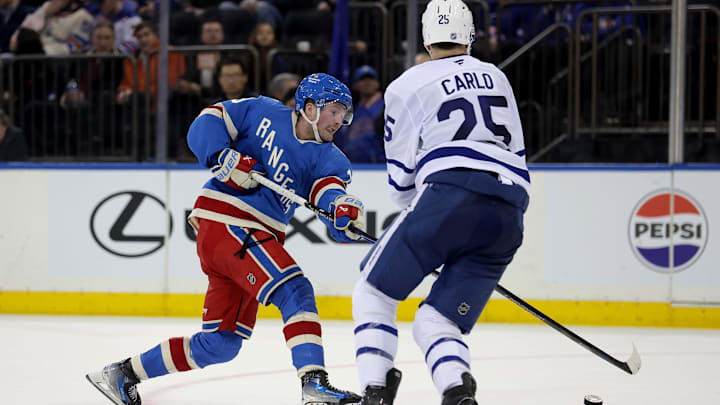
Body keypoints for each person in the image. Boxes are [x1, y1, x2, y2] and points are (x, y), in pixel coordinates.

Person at [86, 73, 366, 405]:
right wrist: (222, 156)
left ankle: (120, 373)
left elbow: (328, 194)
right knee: (295, 289)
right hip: (228, 223)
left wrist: (342, 210)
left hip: (248, 237)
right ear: (308, 106)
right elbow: (205, 123)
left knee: (220, 345)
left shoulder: (332, 160)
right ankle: (313, 384)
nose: (339, 120)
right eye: (333, 110)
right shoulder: (261, 110)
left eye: (343, 113)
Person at [351, 1, 530, 404]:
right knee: (437, 320)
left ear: (425, 38)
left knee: (373, 294)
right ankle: (457, 391)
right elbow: (517, 151)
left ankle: (375, 390)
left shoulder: (406, 84)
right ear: (471, 35)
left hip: (449, 194)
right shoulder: (496, 76)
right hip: (509, 211)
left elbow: (399, 179)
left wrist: (434, 221)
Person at [335, 65, 385, 163]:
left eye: (371, 79)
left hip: (380, 166)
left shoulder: (386, 107)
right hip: (355, 166)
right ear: (355, 85)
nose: (367, 83)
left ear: (377, 83)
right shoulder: (353, 111)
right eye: (362, 79)